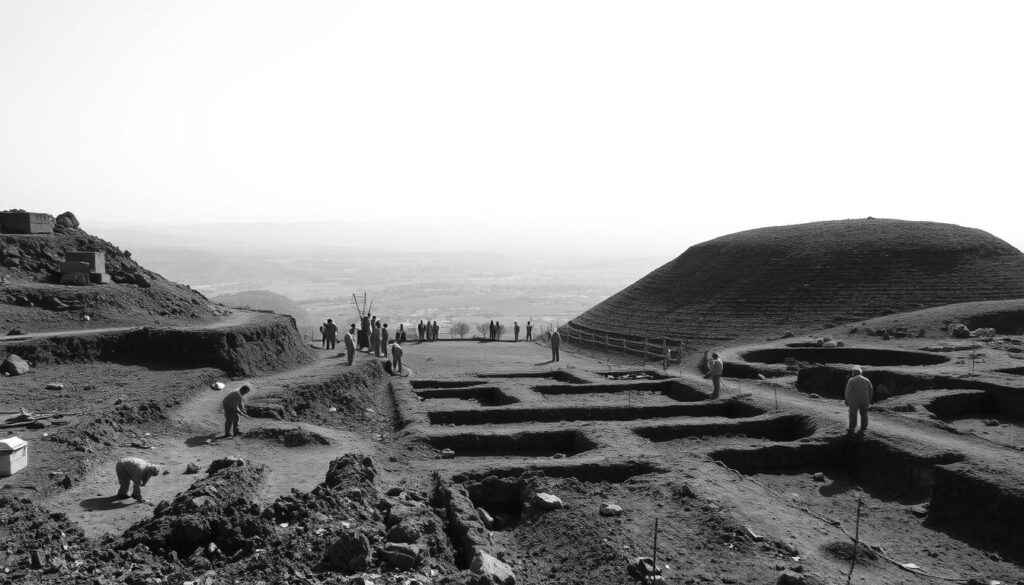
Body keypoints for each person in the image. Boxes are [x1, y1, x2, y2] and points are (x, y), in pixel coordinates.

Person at [845, 366, 874, 435]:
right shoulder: (867, 380)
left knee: (853, 414)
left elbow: (848, 391)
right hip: (865, 400)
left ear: (854, 373)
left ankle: (852, 428)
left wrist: (846, 399)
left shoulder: (851, 380)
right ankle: (864, 427)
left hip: (854, 400)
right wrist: (869, 399)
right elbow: (871, 389)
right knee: (864, 413)